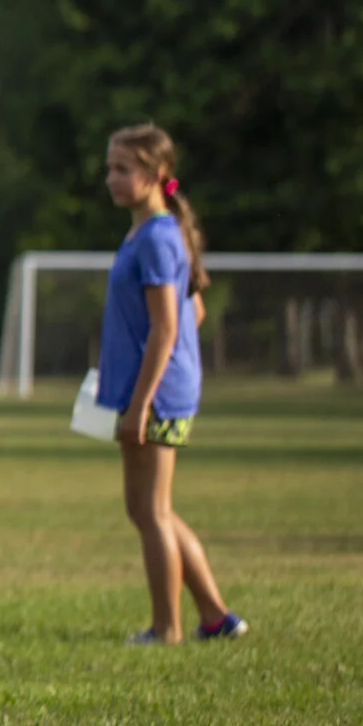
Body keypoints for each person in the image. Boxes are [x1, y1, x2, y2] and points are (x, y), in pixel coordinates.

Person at [101, 125, 245, 646]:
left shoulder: (159, 237)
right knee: (145, 508)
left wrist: (143, 402)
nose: (112, 178)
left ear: (157, 175)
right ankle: (215, 616)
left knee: (152, 511)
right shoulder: (148, 232)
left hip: (154, 395)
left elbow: (168, 326)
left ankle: (167, 630)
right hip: (146, 387)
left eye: (124, 168)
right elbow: (194, 309)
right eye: (110, 167)